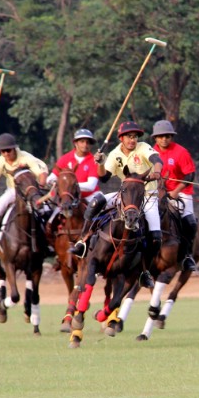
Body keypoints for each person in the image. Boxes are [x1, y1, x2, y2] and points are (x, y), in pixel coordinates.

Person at [71, 121, 163, 288]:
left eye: (134, 137)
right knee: (96, 202)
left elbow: (157, 159)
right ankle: (83, 241)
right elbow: (104, 177)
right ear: (121, 138)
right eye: (129, 137)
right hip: (126, 196)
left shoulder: (143, 147)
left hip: (148, 196)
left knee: (156, 237)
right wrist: (99, 163)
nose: (132, 140)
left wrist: (157, 171)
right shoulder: (114, 154)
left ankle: (145, 271)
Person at [0, 133, 48, 251]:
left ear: (14, 148)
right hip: (13, 191)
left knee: (46, 212)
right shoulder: (0, 161)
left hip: (30, 190)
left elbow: (42, 173)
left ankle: (50, 241)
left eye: (8, 150)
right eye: (3, 151)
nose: (6, 154)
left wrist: (41, 187)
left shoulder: (25, 157)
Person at [151, 119, 198, 272]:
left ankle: (187, 255)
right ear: (155, 138)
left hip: (180, 193)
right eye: (161, 136)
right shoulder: (150, 153)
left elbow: (190, 175)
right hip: (156, 193)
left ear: (172, 137)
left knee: (190, 222)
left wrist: (175, 191)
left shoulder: (181, 152)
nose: (164, 139)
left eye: (168, 136)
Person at [45, 128, 104, 206]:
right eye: (82, 142)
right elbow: (50, 179)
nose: (85, 145)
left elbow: (91, 186)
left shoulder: (94, 160)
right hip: (68, 197)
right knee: (48, 211)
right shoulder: (65, 158)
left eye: (88, 142)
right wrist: (57, 183)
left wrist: (68, 185)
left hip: (90, 197)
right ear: (75, 143)